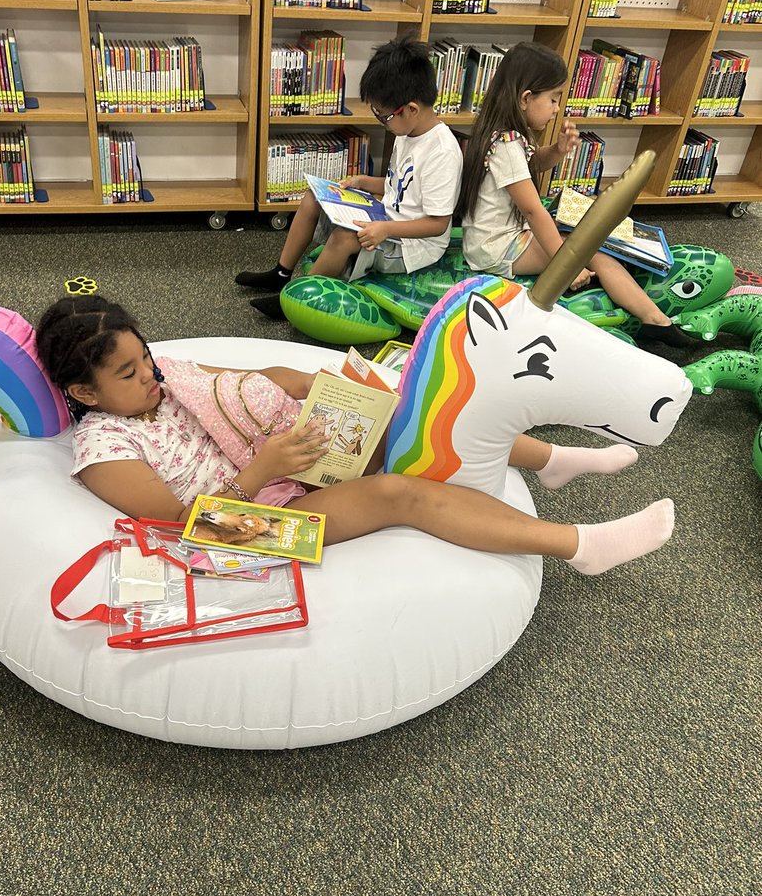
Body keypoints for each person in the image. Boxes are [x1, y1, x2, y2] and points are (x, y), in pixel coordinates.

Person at [35, 295, 676, 577]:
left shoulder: (163, 378)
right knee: (400, 493)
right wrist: (265, 468)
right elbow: (185, 525)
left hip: (274, 469)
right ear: (87, 393)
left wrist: (315, 390)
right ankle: (579, 545)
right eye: (128, 372)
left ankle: (554, 458)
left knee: (407, 409)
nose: (149, 373)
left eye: (145, 356)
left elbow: (239, 382)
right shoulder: (105, 450)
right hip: (237, 529)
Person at [457, 41, 688, 345]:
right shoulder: (507, 145)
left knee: (586, 230)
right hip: (497, 247)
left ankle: (647, 311)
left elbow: (532, 163)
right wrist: (565, 261)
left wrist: (557, 150)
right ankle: (654, 320)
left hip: (501, 234)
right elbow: (532, 210)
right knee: (592, 248)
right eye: (553, 100)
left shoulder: (506, 133)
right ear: (526, 98)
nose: (556, 110)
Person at [236, 35, 464, 317]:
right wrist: (364, 183)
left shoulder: (442, 151)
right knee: (314, 197)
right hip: (388, 217)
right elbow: (402, 187)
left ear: (412, 109)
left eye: (384, 117)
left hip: (412, 245)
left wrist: (385, 230)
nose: (383, 122)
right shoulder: (409, 131)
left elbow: (438, 223)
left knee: (344, 238)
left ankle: (291, 301)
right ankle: (281, 274)